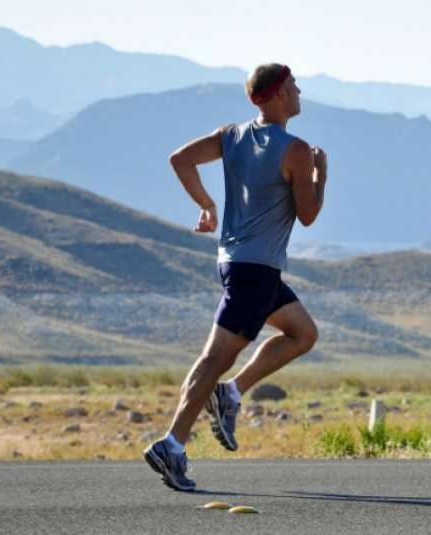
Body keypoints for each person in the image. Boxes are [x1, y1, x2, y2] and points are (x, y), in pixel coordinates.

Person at [143, 63, 327, 491]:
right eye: (295, 87)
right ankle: (172, 444)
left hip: (239, 264)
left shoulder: (231, 135)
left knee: (303, 333)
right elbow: (309, 214)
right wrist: (321, 173)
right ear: (279, 94)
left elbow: (180, 159)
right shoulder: (296, 150)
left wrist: (207, 204)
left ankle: (231, 393)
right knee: (214, 358)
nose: (300, 92)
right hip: (255, 271)